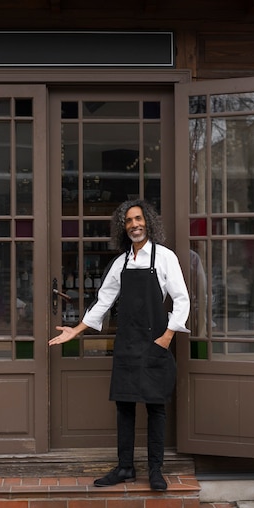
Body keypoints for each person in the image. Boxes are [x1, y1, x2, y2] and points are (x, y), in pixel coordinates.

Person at [49, 199, 190, 491]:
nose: (134, 225)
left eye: (138, 219)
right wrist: (75, 331)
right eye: (128, 221)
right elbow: (103, 301)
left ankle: (155, 471)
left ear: (148, 222)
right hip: (126, 344)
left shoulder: (165, 257)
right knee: (125, 407)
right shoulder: (120, 262)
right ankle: (125, 467)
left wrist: (166, 338)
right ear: (122, 228)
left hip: (155, 343)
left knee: (156, 408)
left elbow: (182, 300)